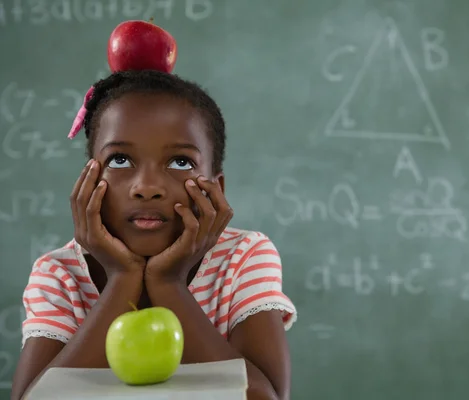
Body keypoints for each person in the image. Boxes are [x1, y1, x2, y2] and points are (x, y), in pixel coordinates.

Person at [10, 70, 297, 400]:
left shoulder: (242, 257)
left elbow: (267, 397)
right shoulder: (60, 274)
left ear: (216, 190)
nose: (146, 187)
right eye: (119, 159)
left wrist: (167, 283)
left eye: (179, 162)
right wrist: (123, 277)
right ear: (87, 182)